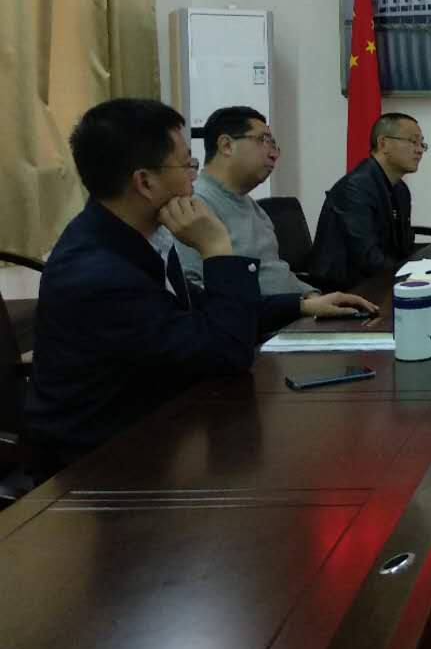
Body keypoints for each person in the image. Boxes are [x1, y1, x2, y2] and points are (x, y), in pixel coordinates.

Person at [24, 99, 264, 477]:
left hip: (158, 428)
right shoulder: (100, 276)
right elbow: (227, 352)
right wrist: (217, 248)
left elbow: (200, 312)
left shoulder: (137, 234)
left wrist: (300, 305)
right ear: (145, 182)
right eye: (187, 165)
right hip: (96, 468)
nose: (194, 178)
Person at [175, 106, 378, 332]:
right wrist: (303, 306)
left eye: (274, 145)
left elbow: (275, 272)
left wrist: (313, 296)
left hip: (292, 318)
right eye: (264, 141)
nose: (274, 154)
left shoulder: (253, 207)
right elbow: (195, 295)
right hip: (252, 333)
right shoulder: (194, 207)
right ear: (226, 145)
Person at [307, 112, 423, 289]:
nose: (419, 150)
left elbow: (402, 249)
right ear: (383, 143)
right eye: (413, 141)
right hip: (344, 288)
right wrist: (413, 277)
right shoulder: (355, 188)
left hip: (380, 281)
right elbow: (368, 257)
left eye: (422, 144)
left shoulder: (400, 189)